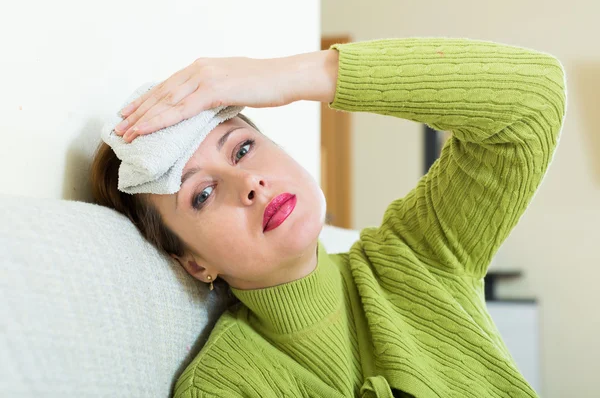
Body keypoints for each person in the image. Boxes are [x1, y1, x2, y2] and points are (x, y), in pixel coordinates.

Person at [90, 37, 566, 397]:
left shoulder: (417, 257)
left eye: (243, 148)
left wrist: (287, 77)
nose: (250, 184)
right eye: (204, 194)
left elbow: (535, 98)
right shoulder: (226, 386)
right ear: (195, 264)